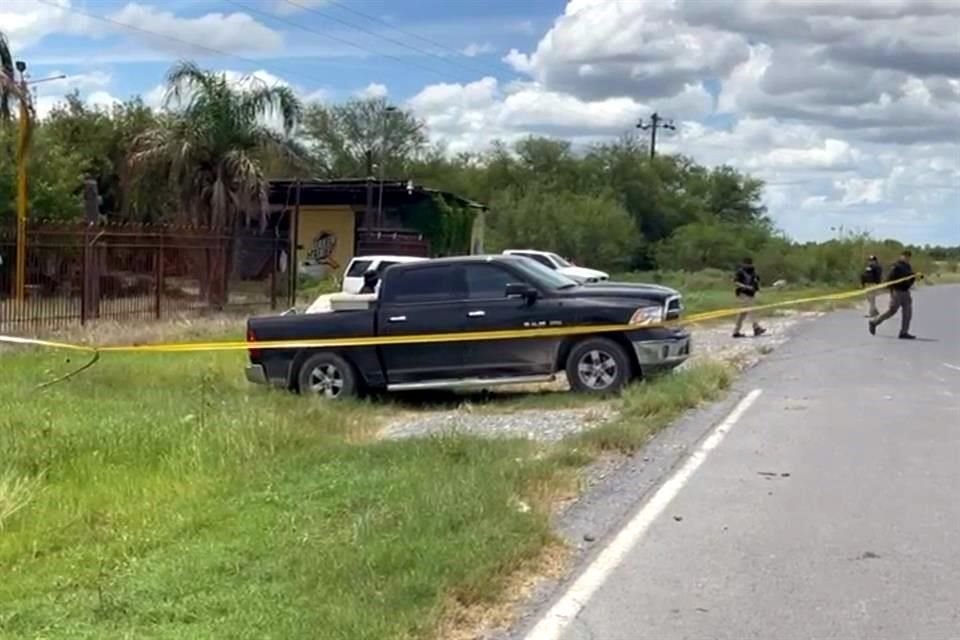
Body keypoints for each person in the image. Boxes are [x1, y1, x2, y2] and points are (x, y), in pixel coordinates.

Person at [868, 250, 917, 339]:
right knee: (892, 311)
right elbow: (890, 278)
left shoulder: (908, 266)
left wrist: (914, 277)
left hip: (906, 292)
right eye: (905, 256)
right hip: (897, 292)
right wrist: (890, 289)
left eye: (908, 257)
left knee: (908, 313)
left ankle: (904, 332)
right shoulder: (896, 266)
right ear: (901, 256)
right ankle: (874, 322)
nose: (907, 258)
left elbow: (910, 278)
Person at [732, 257, 766, 338]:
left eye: (750, 264)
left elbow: (756, 282)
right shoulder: (740, 272)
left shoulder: (754, 272)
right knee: (751, 309)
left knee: (742, 314)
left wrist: (758, 289)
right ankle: (756, 328)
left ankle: (736, 332)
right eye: (747, 264)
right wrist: (745, 286)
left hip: (751, 294)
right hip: (743, 293)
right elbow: (735, 282)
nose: (748, 265)